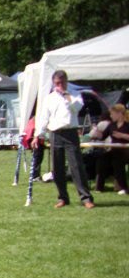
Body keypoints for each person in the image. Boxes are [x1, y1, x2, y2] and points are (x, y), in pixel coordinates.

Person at [35, 70, 94, 209]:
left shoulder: (74, 94)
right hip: (55, 133)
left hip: (71, 132)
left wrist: (67, 96)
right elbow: (44, 117)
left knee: (76, 166)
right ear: (53, 83)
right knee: (58, 167)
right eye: (57, 83)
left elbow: (77, 108)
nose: (60, 85)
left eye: (62, 82)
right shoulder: (49, 98)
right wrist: (38, 134)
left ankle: (86, 198)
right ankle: (63, 197)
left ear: (66, 82)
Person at [91, 104, 129, 195]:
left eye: (112, 114)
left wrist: (122, 136)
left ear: (119, 114)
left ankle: (123, 187)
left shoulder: (127, 125)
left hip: (126, 151)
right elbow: (102, 136)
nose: (111, 116)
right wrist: (96, 130)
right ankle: (99, 187)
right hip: (115, 151)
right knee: (102, 159)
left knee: (117, 160)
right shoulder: (112, 125)